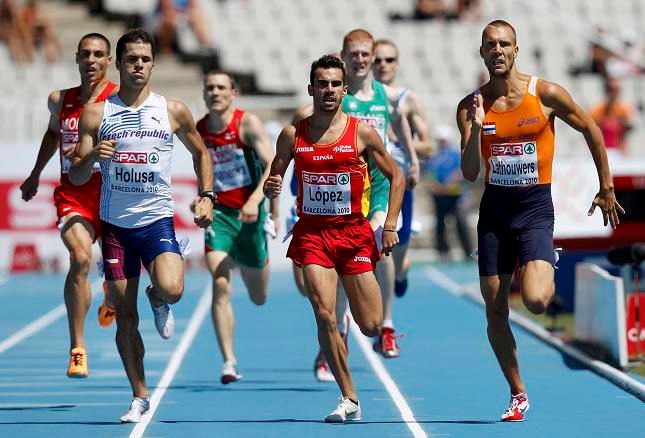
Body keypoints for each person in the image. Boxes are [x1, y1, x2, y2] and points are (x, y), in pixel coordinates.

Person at [457, 20, 624, 422]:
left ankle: (546, 256)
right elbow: (468, 173)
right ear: (482, 53)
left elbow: (591, 128)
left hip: (534, 210)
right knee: (495, 311)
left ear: (516, 51)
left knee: (535, 300)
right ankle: (517, 392)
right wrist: (477, 128)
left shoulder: (544, 93)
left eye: (505, 44)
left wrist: (606, 186)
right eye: (490, 45)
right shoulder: (470, 106)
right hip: (495, 215)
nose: (497, 50)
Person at [69, 28, 214, 423]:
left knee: (174, 289)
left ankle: (158, 297)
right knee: (124, 315)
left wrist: (207, 195)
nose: (138, 65)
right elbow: (78, 176)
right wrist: (90, 157)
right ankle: (139, 395)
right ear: (118, 63)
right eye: (131, 59)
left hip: (156, 221)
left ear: (153, 64)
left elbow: (202, 154)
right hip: (116, 227)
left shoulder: (173, 110)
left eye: (145, 59)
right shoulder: (98, 113)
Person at [263, 54, 404, 423]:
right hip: (312, 235)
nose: (328, 90)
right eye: (321, 84)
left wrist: (389, 224)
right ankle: (349, 398)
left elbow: (397, 177)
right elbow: (275, 174)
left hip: (354, 234)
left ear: (344, 89)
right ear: (311, 89)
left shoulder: (361, 133)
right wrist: (272, 185)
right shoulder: (294, 134)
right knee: (325, 314)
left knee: (371, 325)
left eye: (334, 84)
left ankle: (364, 340)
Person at [20, 33, 118, 379]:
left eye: (98, 54)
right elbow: (52, 134)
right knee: (79, 258)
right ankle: (78, 348)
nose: (91, 60)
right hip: (74, 193)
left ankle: (110, 293)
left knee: (120, 278)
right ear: (76, 59)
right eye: (85, 54)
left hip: (114, 195)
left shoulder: (120, 100)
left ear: (109, 61)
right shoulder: (59, 100)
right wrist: (34, 175)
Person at [196, 70, 278, 384]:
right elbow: (199, 167)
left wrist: (255, 201)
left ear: (233, 93)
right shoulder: (199, 129)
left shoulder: (247, 124)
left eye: (221, 88)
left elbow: (273, 164)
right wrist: (201, 200)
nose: (215, 92)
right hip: (221, 216)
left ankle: (252, 261)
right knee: (220, 283)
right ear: (204, 94)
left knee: (259, 297)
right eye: (209, 88)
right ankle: (228, 361)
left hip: (250, 217)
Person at [372, 38, 432, 297]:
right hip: (371, 184)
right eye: (378, 60)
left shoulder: (408, 99)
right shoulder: (359, 99)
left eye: (389, 60)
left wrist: (398, 142)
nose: (383, 65)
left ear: (397, 63)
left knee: (396, 262)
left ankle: (403, 268)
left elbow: (428, 146)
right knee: (375, 259)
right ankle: (380, 325)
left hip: (401, 184)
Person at [425, 125, 472, 260]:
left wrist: (450, 183)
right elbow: (429, 174)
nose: (442, 142)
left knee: (461, 223)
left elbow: (462, 171)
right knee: (440, 225)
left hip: (456, 196)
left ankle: (467, 251)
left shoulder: (456, 154)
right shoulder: (434, 157)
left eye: (444, 140)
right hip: (439, 197)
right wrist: (434, 185)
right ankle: (443, 251)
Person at [589, 76, 634, 156]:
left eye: (616, 90)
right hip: (603, 149)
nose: (613, 93)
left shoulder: (624, 108)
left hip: (620, 149)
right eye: (611, 90)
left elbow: (628, 128)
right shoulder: (598, 109)